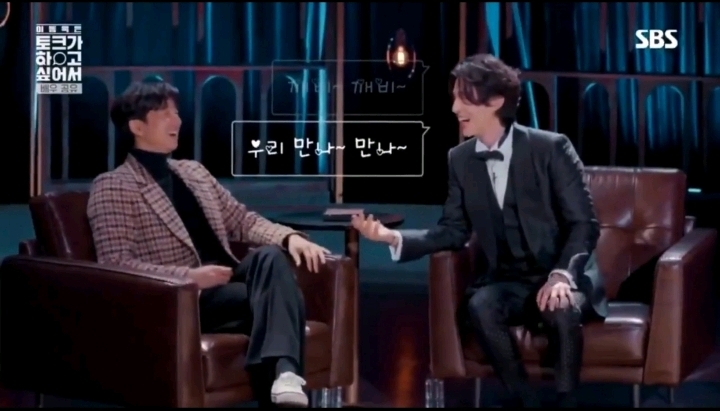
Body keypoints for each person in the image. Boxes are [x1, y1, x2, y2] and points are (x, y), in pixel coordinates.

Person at [352, 54, 608, 408]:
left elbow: (584, 224)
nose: (454, 108)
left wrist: (562, 275)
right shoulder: (460, 159)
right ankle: (523, 400)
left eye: (464, 98)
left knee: (560, 308)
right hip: (509, 280)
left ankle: (567, 401)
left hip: (564, 275)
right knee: (481, 305)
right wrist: (391, 238)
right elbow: (453, 231)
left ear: (496, 102)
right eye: (454, 98)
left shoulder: (551, 148)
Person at [88, 80, 330, 408]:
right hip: (183, 296)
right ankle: (283, 377)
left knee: (272, 257)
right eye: (165, 113)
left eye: (177, 112)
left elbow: (243, 220)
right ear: (137, 127)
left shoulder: (194, 173)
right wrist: (188, 277)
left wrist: (290, 237)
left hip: (229, 281)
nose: (177, 120)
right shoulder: (113, 186)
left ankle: (286, 376)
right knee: (285, 298)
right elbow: (115, 264)